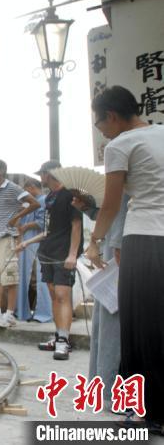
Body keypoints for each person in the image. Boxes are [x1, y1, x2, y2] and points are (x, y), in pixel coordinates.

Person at [86, 85, 164, 430]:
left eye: (100, 123)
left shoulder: (120, 145)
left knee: (141, 325)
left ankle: (148, 410)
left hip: (145, 238)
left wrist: (95, 241)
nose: (101, 130)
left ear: (112, 116)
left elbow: (111, 204)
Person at [16, 161, 83, 360]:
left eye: (42, 174)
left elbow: (76, 225)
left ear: (49, 174)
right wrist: (27, 244)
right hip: (47, 251)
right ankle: (58, 335)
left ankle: (64, 341)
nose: (41, 178)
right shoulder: (50, 198)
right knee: (54, 294)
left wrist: (72, 254)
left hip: (64, 252)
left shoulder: (71, 194)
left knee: (63, 294)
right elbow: (47, 229)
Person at [75, 193, 128, 410]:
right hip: (118, 241)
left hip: (125, 244)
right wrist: (89, 209)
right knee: (111, 316)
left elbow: (119, 204)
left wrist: (103, 241)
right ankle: (110, 388)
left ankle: (115, 390)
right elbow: (113, 209)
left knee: (115, 321)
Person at [0, 159, 40, 329]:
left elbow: (35, 203)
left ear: (1, 171)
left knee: (10, 278)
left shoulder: (13, 188)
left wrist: (17, 217)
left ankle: (10, 314)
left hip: (7, 237)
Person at [15, 179, 51, 323]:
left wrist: (26, 226)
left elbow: (44, 223)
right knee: (25, 277)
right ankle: (23, 311)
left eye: (27, 190)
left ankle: (43, 313)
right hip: (27, 243)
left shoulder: (43, 200)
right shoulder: (31, 203)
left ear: (32, 187)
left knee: (40, 279)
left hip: (36, 242)